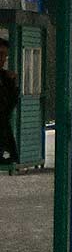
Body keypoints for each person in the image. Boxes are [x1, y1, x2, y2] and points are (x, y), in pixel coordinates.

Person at [0, 36, 18, 166]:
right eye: (1, 54)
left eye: (5, 56)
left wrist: (12, 85)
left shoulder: (4, 78)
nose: (3, 59)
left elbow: (8, 107)